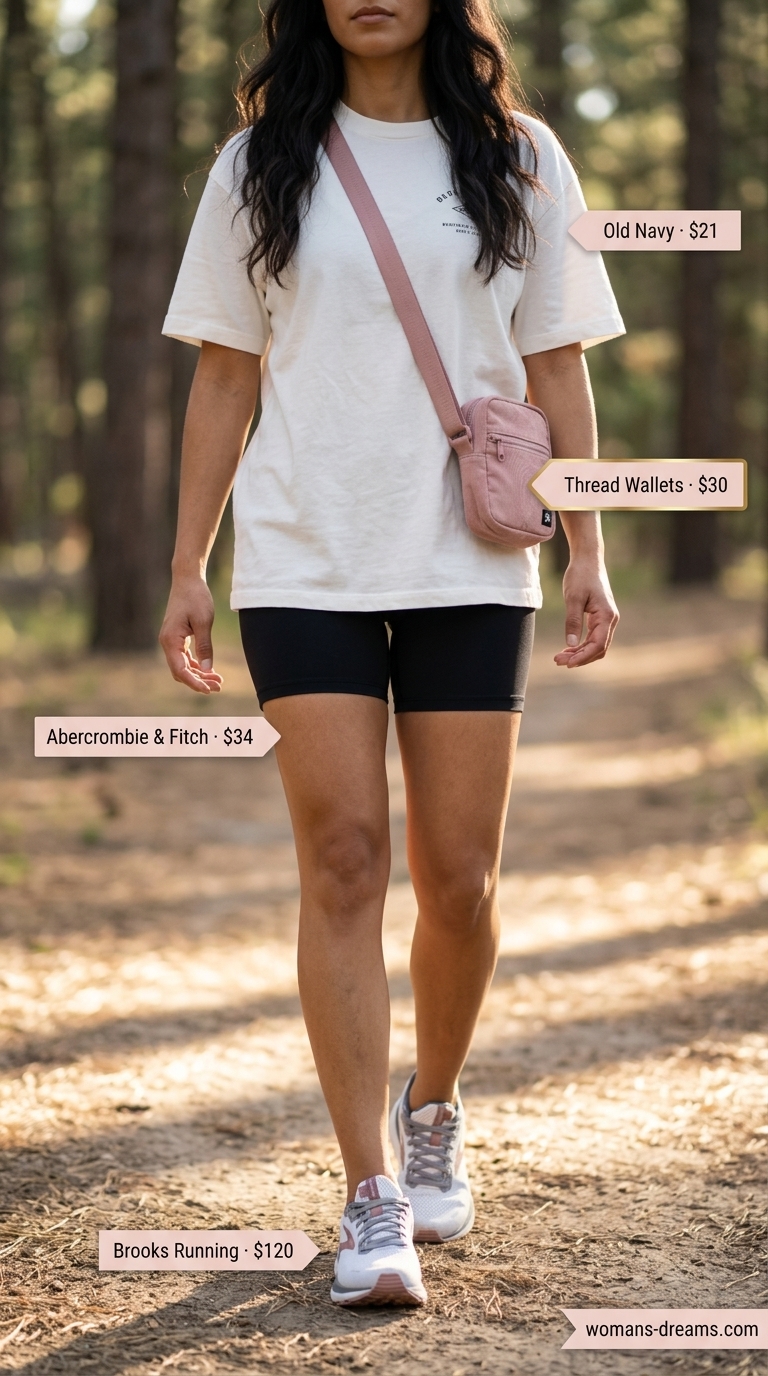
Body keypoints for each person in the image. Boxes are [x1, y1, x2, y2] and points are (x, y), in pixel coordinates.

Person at [159, 0, 623, 1309]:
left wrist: (588, 548)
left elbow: (557, 363)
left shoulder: (521, 154)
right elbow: (225, 376)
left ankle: (435, 1108)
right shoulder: (258, 165)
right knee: (347, 854)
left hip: (471, 561)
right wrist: (190, 563)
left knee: (459, 877)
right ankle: (370, 1194)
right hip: (305, 555)